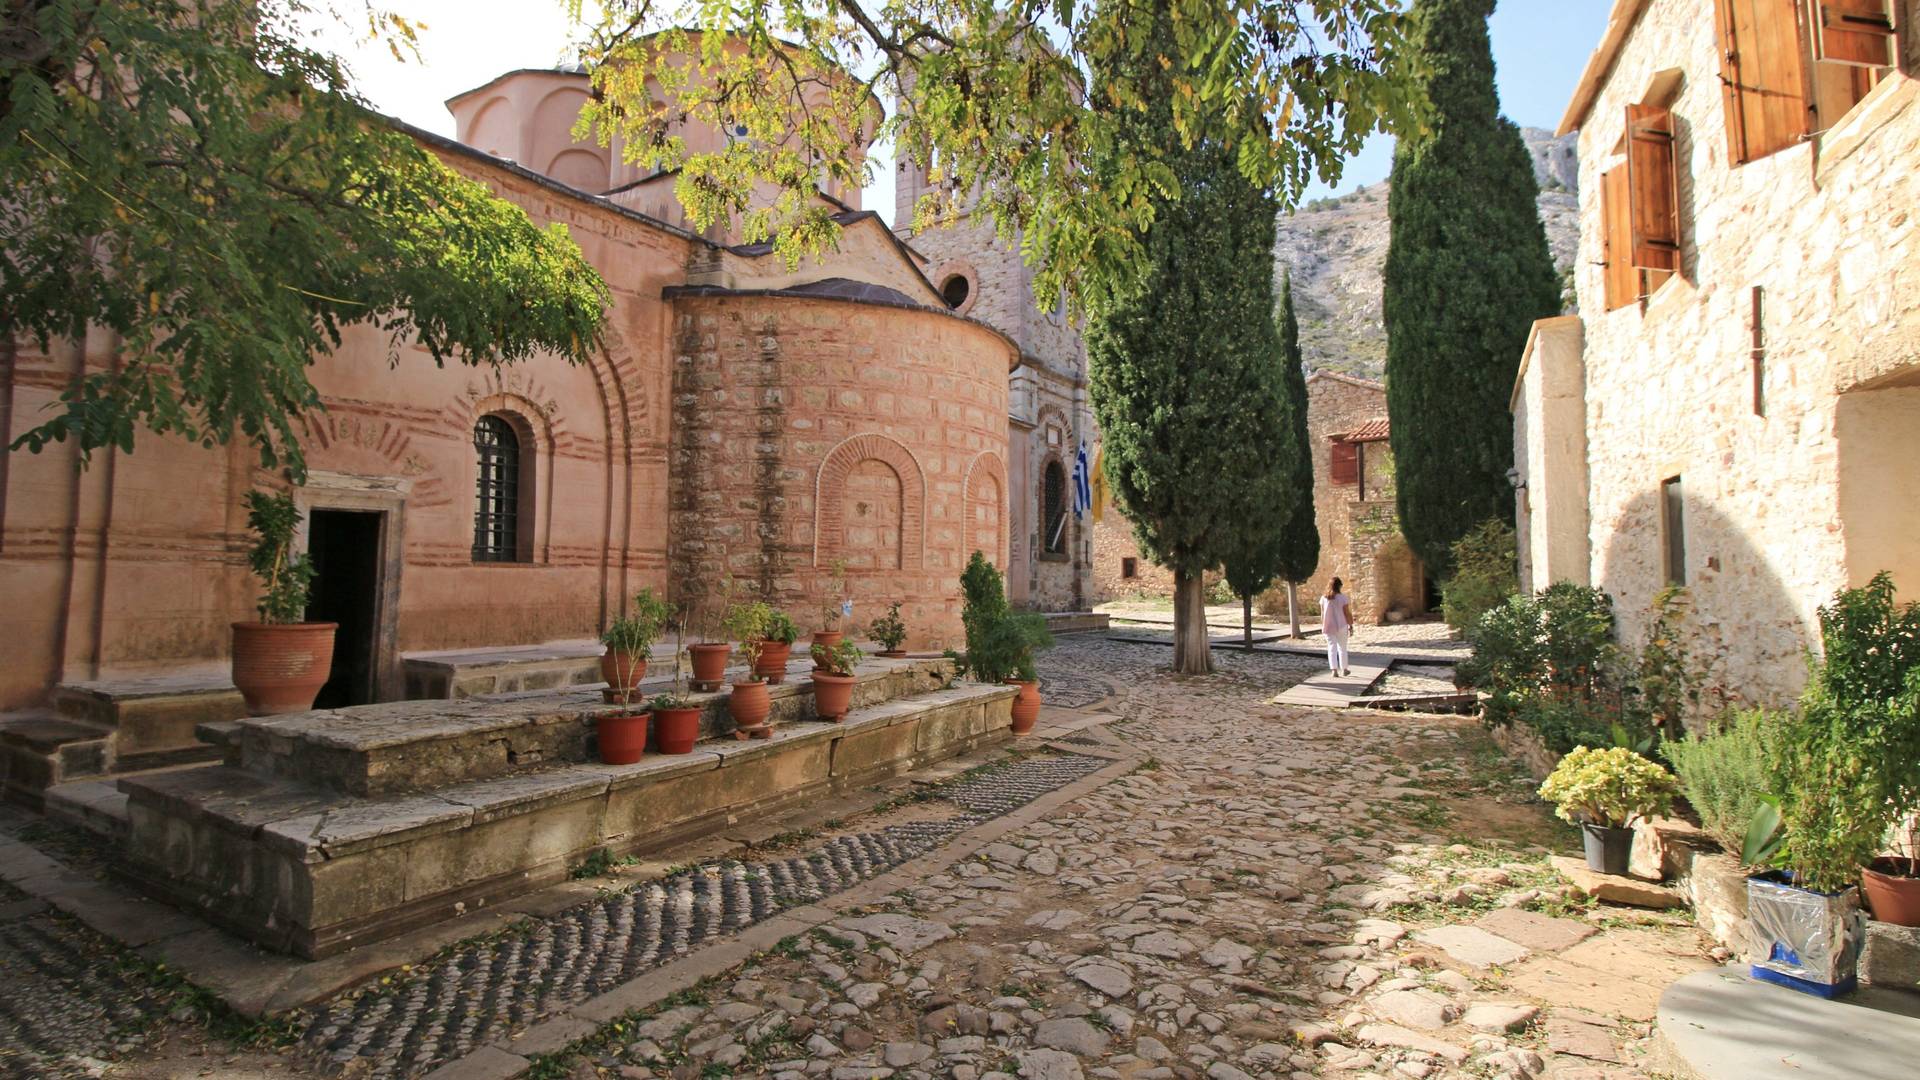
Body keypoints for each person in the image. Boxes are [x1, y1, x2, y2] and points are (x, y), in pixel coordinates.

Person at [1320, 577, 1352, 677]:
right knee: (1342, 648)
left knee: (1331, 647)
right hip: (1341, 624)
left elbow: (1322, 614)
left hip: (1328, 626)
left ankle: (1334, 670)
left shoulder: (1323, 598)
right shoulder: (1343, 598)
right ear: (1340, 586)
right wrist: (1350, 624)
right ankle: (1344, 669)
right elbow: (1347, 613)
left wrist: (1323, 624)